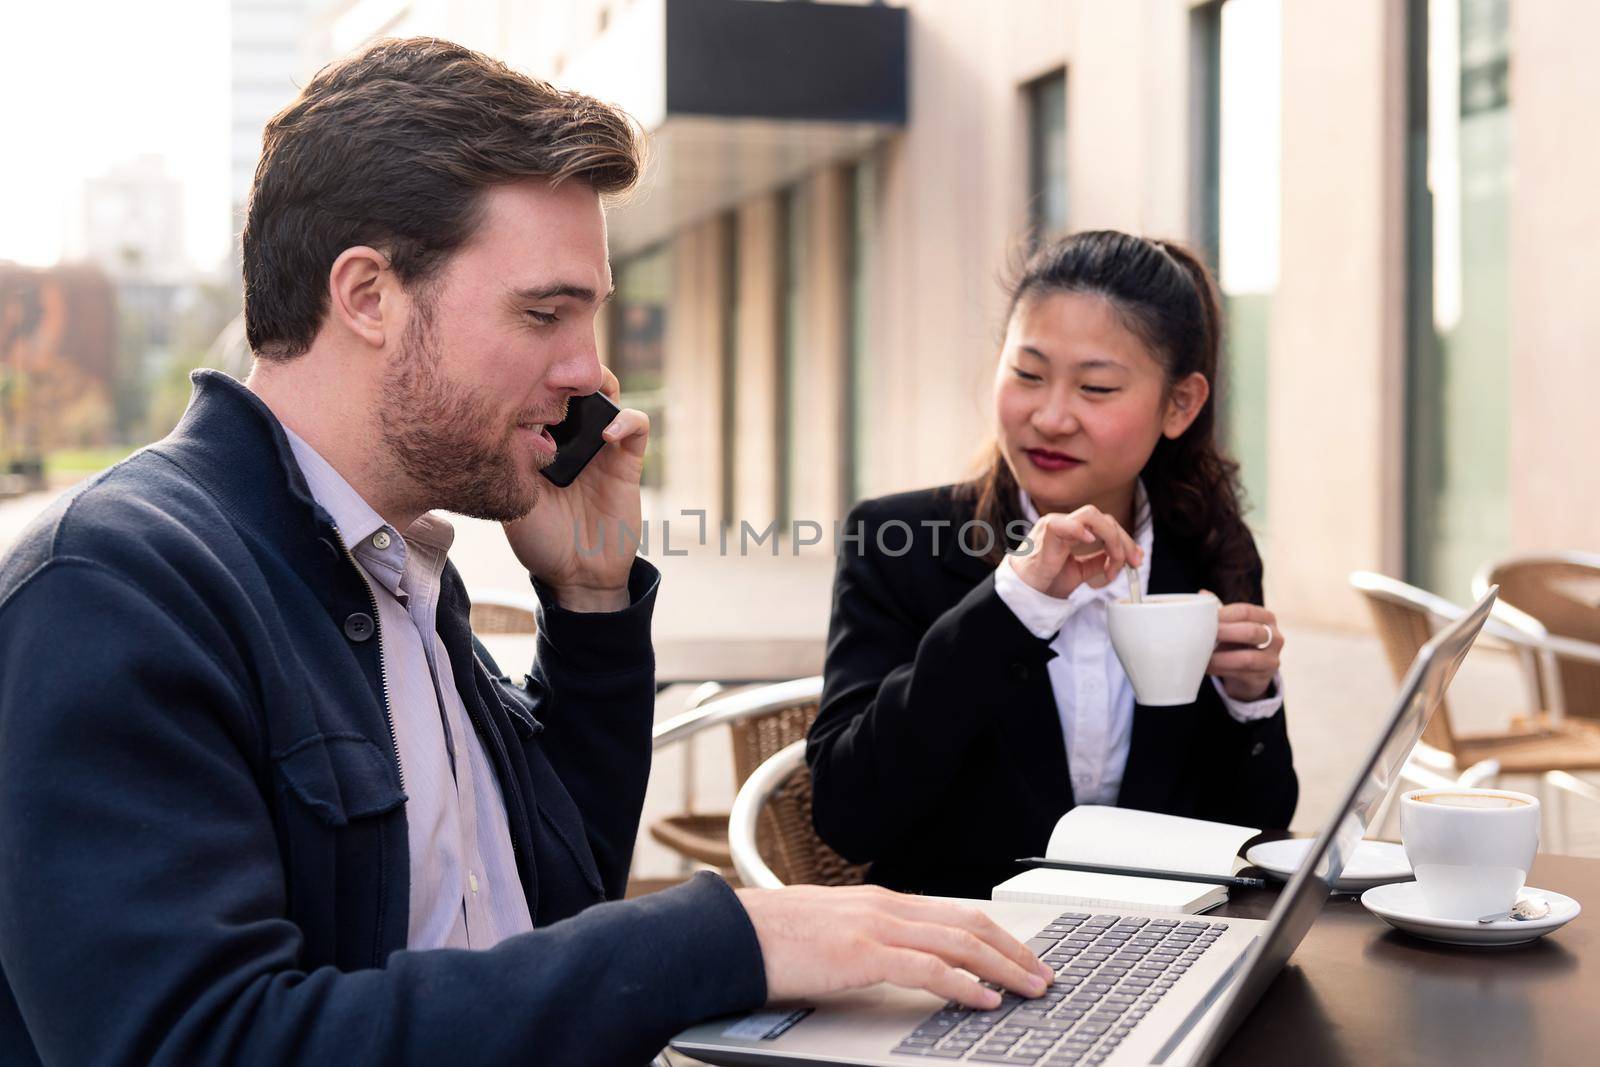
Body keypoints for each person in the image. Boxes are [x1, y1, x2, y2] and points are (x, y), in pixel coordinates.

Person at [0, 38, 1055, 1067]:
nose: (588, 371)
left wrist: (591, 604)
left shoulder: (399, 566)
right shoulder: (115, 588)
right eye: (544, 312)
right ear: (366, 295)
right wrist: (726, 937)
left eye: (588, 316)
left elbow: (552, 900)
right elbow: (199, 1039)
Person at [807, 230, 1297, 899]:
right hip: (959, 952)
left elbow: (1257, 831)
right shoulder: (897, 540)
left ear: (1179, 404)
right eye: (1028, 373)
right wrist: (1012, 601)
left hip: (1155, 950)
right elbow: (846, 812)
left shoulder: (1209, 550)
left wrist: (1250, 702)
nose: (1052, 416)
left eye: (1096, 387)